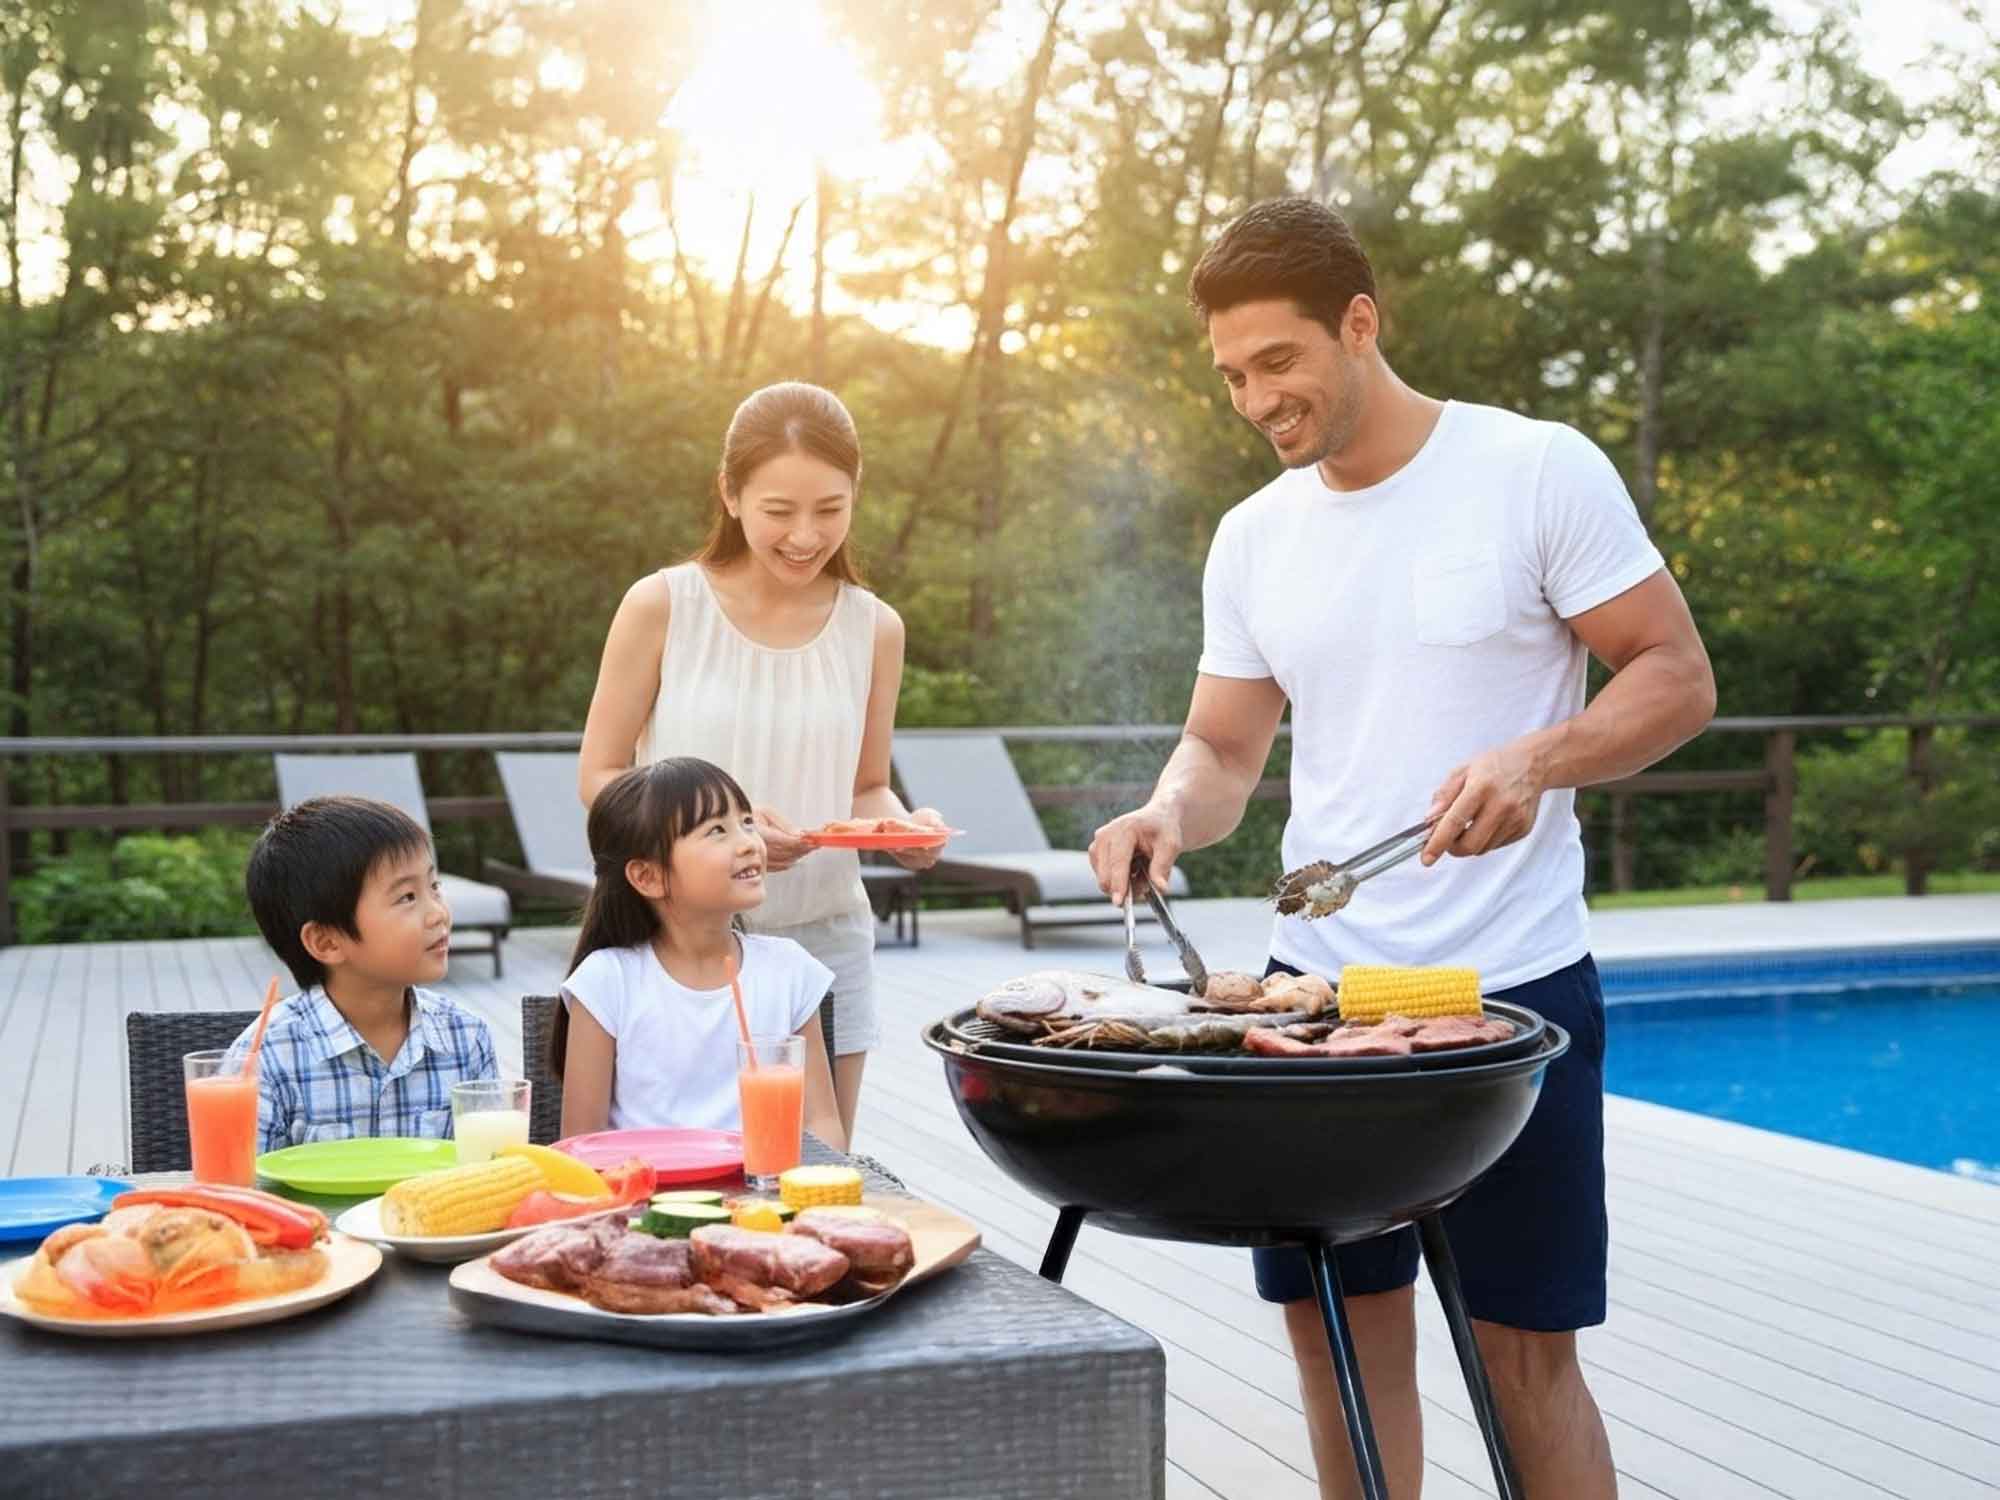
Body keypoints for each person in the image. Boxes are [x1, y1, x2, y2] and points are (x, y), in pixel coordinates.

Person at [1088, 196, 1716, 1500]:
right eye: (1232, 375)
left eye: (1278, 361)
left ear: (1359, 323)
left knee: (1521, 1363)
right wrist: (1165, 812)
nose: (1257, 398)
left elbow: (1673, 675)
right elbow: (1222, 751)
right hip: (1316, 1004)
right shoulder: (1256, 536)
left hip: (1508, 996)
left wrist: (1537, 758)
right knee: (1336, 1342)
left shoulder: (1535, 470)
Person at [578, 381, 945, 1144]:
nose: (805, 537)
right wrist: (722, 833)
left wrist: (904, 831)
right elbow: (601, 778)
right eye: (779, 511)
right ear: (731, 493)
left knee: (817, 1172)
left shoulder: (874, 627)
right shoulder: (662, 605)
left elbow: (866, 785)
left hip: (822, 940)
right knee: (659, 1162)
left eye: (830, 509)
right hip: (672, 946)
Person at [549, 757, 845, 1152]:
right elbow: (582, 1145)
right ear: (648, 877)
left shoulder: (788, 969)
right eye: (717, 830)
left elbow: (821, 1120)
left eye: (747, 822)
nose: (748, 843)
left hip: (766, 1201)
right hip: (647, 1203)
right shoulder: (607, 981)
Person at [226, 795, 498, 1153]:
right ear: (326, 942)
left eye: (434, 887)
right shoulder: (265, 1058)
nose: (438, 914)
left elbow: (489, 1172)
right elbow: (240, 1195)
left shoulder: (466, 1038)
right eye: (406, 897)